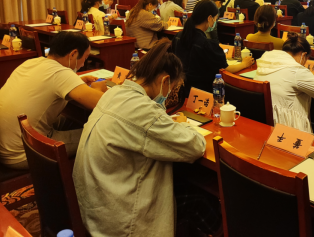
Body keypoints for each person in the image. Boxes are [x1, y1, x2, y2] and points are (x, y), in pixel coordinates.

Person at [73, 39, 221, 237]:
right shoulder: (143, 110)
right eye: (172, 88)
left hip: (97, 201)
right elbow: (195, 147)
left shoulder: (115, 92)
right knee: (204, 200)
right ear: (165, 81)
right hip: (121, 218)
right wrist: (184, 125)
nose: (168, 94)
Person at [0, 32, 106, 169]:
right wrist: (98, 87)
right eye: (84, 58)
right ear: (73, 54)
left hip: (6, 145)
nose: (83, 64)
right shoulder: (61, 73)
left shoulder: (32, 62)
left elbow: (49, 84)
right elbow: (102, 103)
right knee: (99, 135)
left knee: (71, 119)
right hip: (24, 152)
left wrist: (77, 82)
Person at [254, 34, 314, 133]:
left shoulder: (265, 62)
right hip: (289, 130)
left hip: (263, 126)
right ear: (303, 55)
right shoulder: (297, 71)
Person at [174, 0, 254, 98]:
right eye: (215, 19)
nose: (215, 22)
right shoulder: (206, 44)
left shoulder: (178, 37)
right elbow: (225, 69)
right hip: (204, 93)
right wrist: (244, 64)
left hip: (183, 91)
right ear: (209, 18)